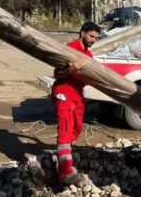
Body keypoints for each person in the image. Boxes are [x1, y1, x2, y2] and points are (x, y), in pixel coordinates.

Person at [51, 21, 101, 185]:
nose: (93, 40)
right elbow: (57, 74)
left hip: (78, 95)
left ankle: (63, 154)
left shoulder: (89, 56)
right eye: (91, 36)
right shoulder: (69, 49)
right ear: (82, 33)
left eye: (96, 38)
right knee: (66, 127)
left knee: (76, 128)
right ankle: (65, 170)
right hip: (64, 91)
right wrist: (73, 68)